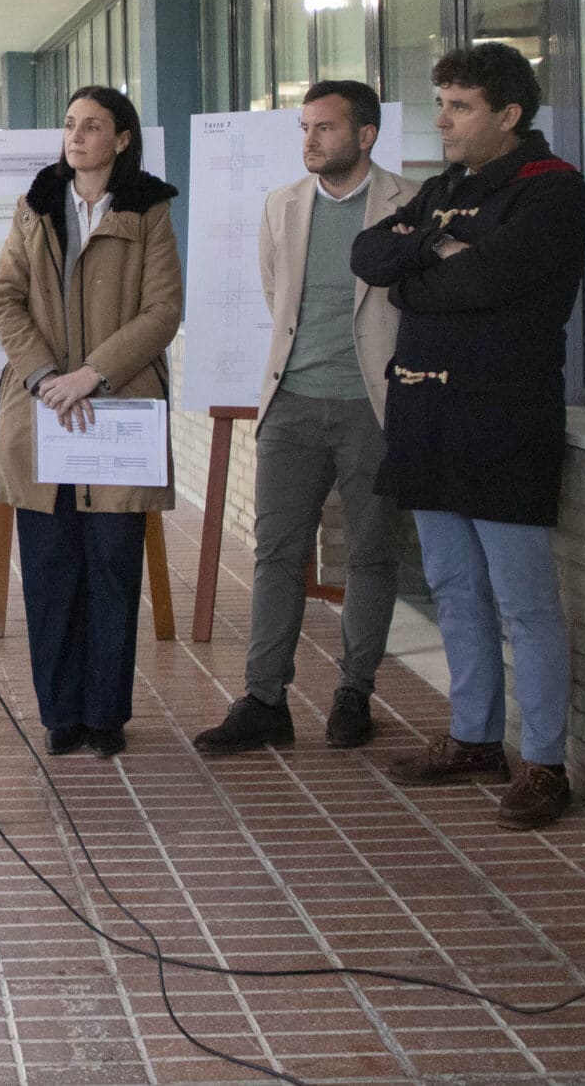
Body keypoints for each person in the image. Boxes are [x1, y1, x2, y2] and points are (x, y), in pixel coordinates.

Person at [349, 42, 585, 832]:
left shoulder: (552, 192)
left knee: (524, 601)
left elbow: (486, 280)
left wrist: (423, 268)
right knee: (454, 587)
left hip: (502, 419)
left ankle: (545, 761)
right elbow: (371, 254)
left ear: (509, 114)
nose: (443, 120)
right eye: (442, 103)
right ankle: (476, 737)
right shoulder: (444, 187)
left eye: (460, 106)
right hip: (427, 418)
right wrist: (431, 249)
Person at [195, 79, 415, 757]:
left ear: (365, 135)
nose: (310, 140)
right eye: (305, 127)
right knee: (276, 553)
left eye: (324, 127)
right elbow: (277, 294)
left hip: (372, 407)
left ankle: (355, 689)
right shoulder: (281, 205)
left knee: (372, 553)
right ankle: (265, 698)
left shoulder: (407, 204)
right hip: (291, 403)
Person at [0, 85, 182, 757]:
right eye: (70, 124)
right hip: (42, 411)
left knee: (111, 566)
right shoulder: (36, 205)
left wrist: (91, 373)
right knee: (48, 570)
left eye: (92, 125)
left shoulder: (150, 210)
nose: (76, 136)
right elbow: (4, 298)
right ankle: (60, 714)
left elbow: (162, 311)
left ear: (122, 138)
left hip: (114, 410)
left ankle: (106, 715)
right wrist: (46, 377)